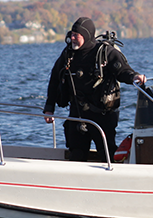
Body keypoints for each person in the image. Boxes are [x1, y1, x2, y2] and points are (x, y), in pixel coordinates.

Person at [43, 17, 146, 162]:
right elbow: (54, 80)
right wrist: (49, 108)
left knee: (107, 154)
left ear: (86, 35)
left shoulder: (104, 53)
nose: (72, 38)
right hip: (77, 113)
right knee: (76, 154)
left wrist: (134, 77)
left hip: (102, 115)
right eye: (71, 34)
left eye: (76, 35)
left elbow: (122, 70)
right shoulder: (68, 54)